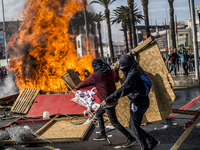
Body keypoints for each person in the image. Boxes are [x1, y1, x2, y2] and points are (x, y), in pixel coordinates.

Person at [101, 55, 160, 150]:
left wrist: (107, 99)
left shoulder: (133, 74)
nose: (122, 69)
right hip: (141, 101)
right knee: (132, 125)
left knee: (134, 126)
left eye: (122, 67)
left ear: (127, 66)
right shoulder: (136, 67)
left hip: (138, 104)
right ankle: (151, 141)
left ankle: (145, 147)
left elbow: (124, 89)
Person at [76, 58, 135, 148]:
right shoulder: (110, 71)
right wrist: (115, 70)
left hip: (107, 102)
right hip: (112, 98)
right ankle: (102, 134)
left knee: (114, 122)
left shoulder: (96, 76)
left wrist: (77, 87)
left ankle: (130, 138)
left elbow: (84, 83)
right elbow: (116, 79)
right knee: (99, 114)